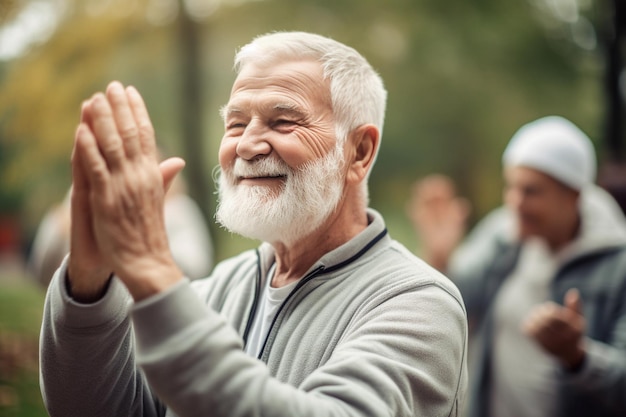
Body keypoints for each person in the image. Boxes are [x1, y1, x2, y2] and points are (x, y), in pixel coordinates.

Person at [39, 31, 468, 417]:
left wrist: (153, 270)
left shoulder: (419, 305)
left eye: (283, 121)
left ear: (359, 152)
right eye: (236, 123)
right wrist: (90, 280)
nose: (246, 144)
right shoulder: (217, 289)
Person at [408, 115, 626, 417]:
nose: (514, 202)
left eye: (531, 191)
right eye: (510, 187)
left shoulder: (618, 265)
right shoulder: (504, 234)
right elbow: (458, 300)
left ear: (574, 195)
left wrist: (577, 356)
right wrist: (440, 258)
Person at [28, 171, 214, 285]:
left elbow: (196, 267)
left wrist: (137, 242)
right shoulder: (88, 196)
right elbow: (42, 271)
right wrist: (57, 229)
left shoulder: (178, 209)